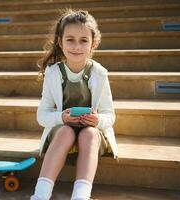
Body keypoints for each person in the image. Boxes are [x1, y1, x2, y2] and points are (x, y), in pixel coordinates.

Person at [30, 9, 118, 200]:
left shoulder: (100, 73)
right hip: (62, 136)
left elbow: (109, 116)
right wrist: (61, 117)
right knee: (66, 131)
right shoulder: (53, 73)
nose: (77, 46)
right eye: (70, 39)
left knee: (89, 133)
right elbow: (42, 115)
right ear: (60, 42)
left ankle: (81, 195)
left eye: (83, 40)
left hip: (91, 137)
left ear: (93, 43)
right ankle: (40, 195)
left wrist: (97, 120)